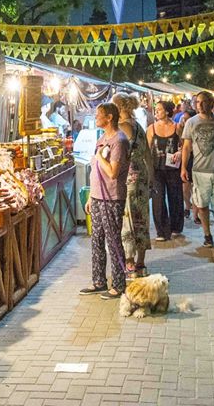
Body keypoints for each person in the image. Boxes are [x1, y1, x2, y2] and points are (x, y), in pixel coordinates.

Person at [80, 103, 131, 300]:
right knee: (97, 239)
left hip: (112, 197)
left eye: (98, 114)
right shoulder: (102, 139)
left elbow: (112, 172)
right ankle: (98, 281)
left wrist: (100, 157)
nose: (95, 117)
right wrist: (91, 196)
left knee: (113, 240)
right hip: (97, 197)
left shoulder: (119, 141)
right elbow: (96, 170)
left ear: (109, 117)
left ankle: (118, 285)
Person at [181, 91, 214, 250]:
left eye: (204, 102)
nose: (200, 105)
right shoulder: (191, 122)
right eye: (198, 102)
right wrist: (184, 167)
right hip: (200, 170)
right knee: (202, 204)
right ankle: (207, 234)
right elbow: (186, 146)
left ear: (211, 103)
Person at [113, 92, 154, 279]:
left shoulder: (121, 127)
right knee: (142, 217)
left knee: (127, 219)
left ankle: (129, 262)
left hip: (128, 178)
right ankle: (141, 262)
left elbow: (119, 156)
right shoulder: (138, 127)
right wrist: (151, 179)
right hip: (142, 176)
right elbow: (147, 154)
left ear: (119, 107)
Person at [146, 100, 184, 240]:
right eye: (156, 109)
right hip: (156, 169)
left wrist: (180, 152)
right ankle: (161, 231)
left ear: (167, 111)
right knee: (158, 199)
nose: (156, 112)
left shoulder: (177, 127)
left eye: (159, 109)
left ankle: (176, 227)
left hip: (173, 168)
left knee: (175, 197)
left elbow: (184, 144)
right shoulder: (151, 129)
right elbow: (146, 149)